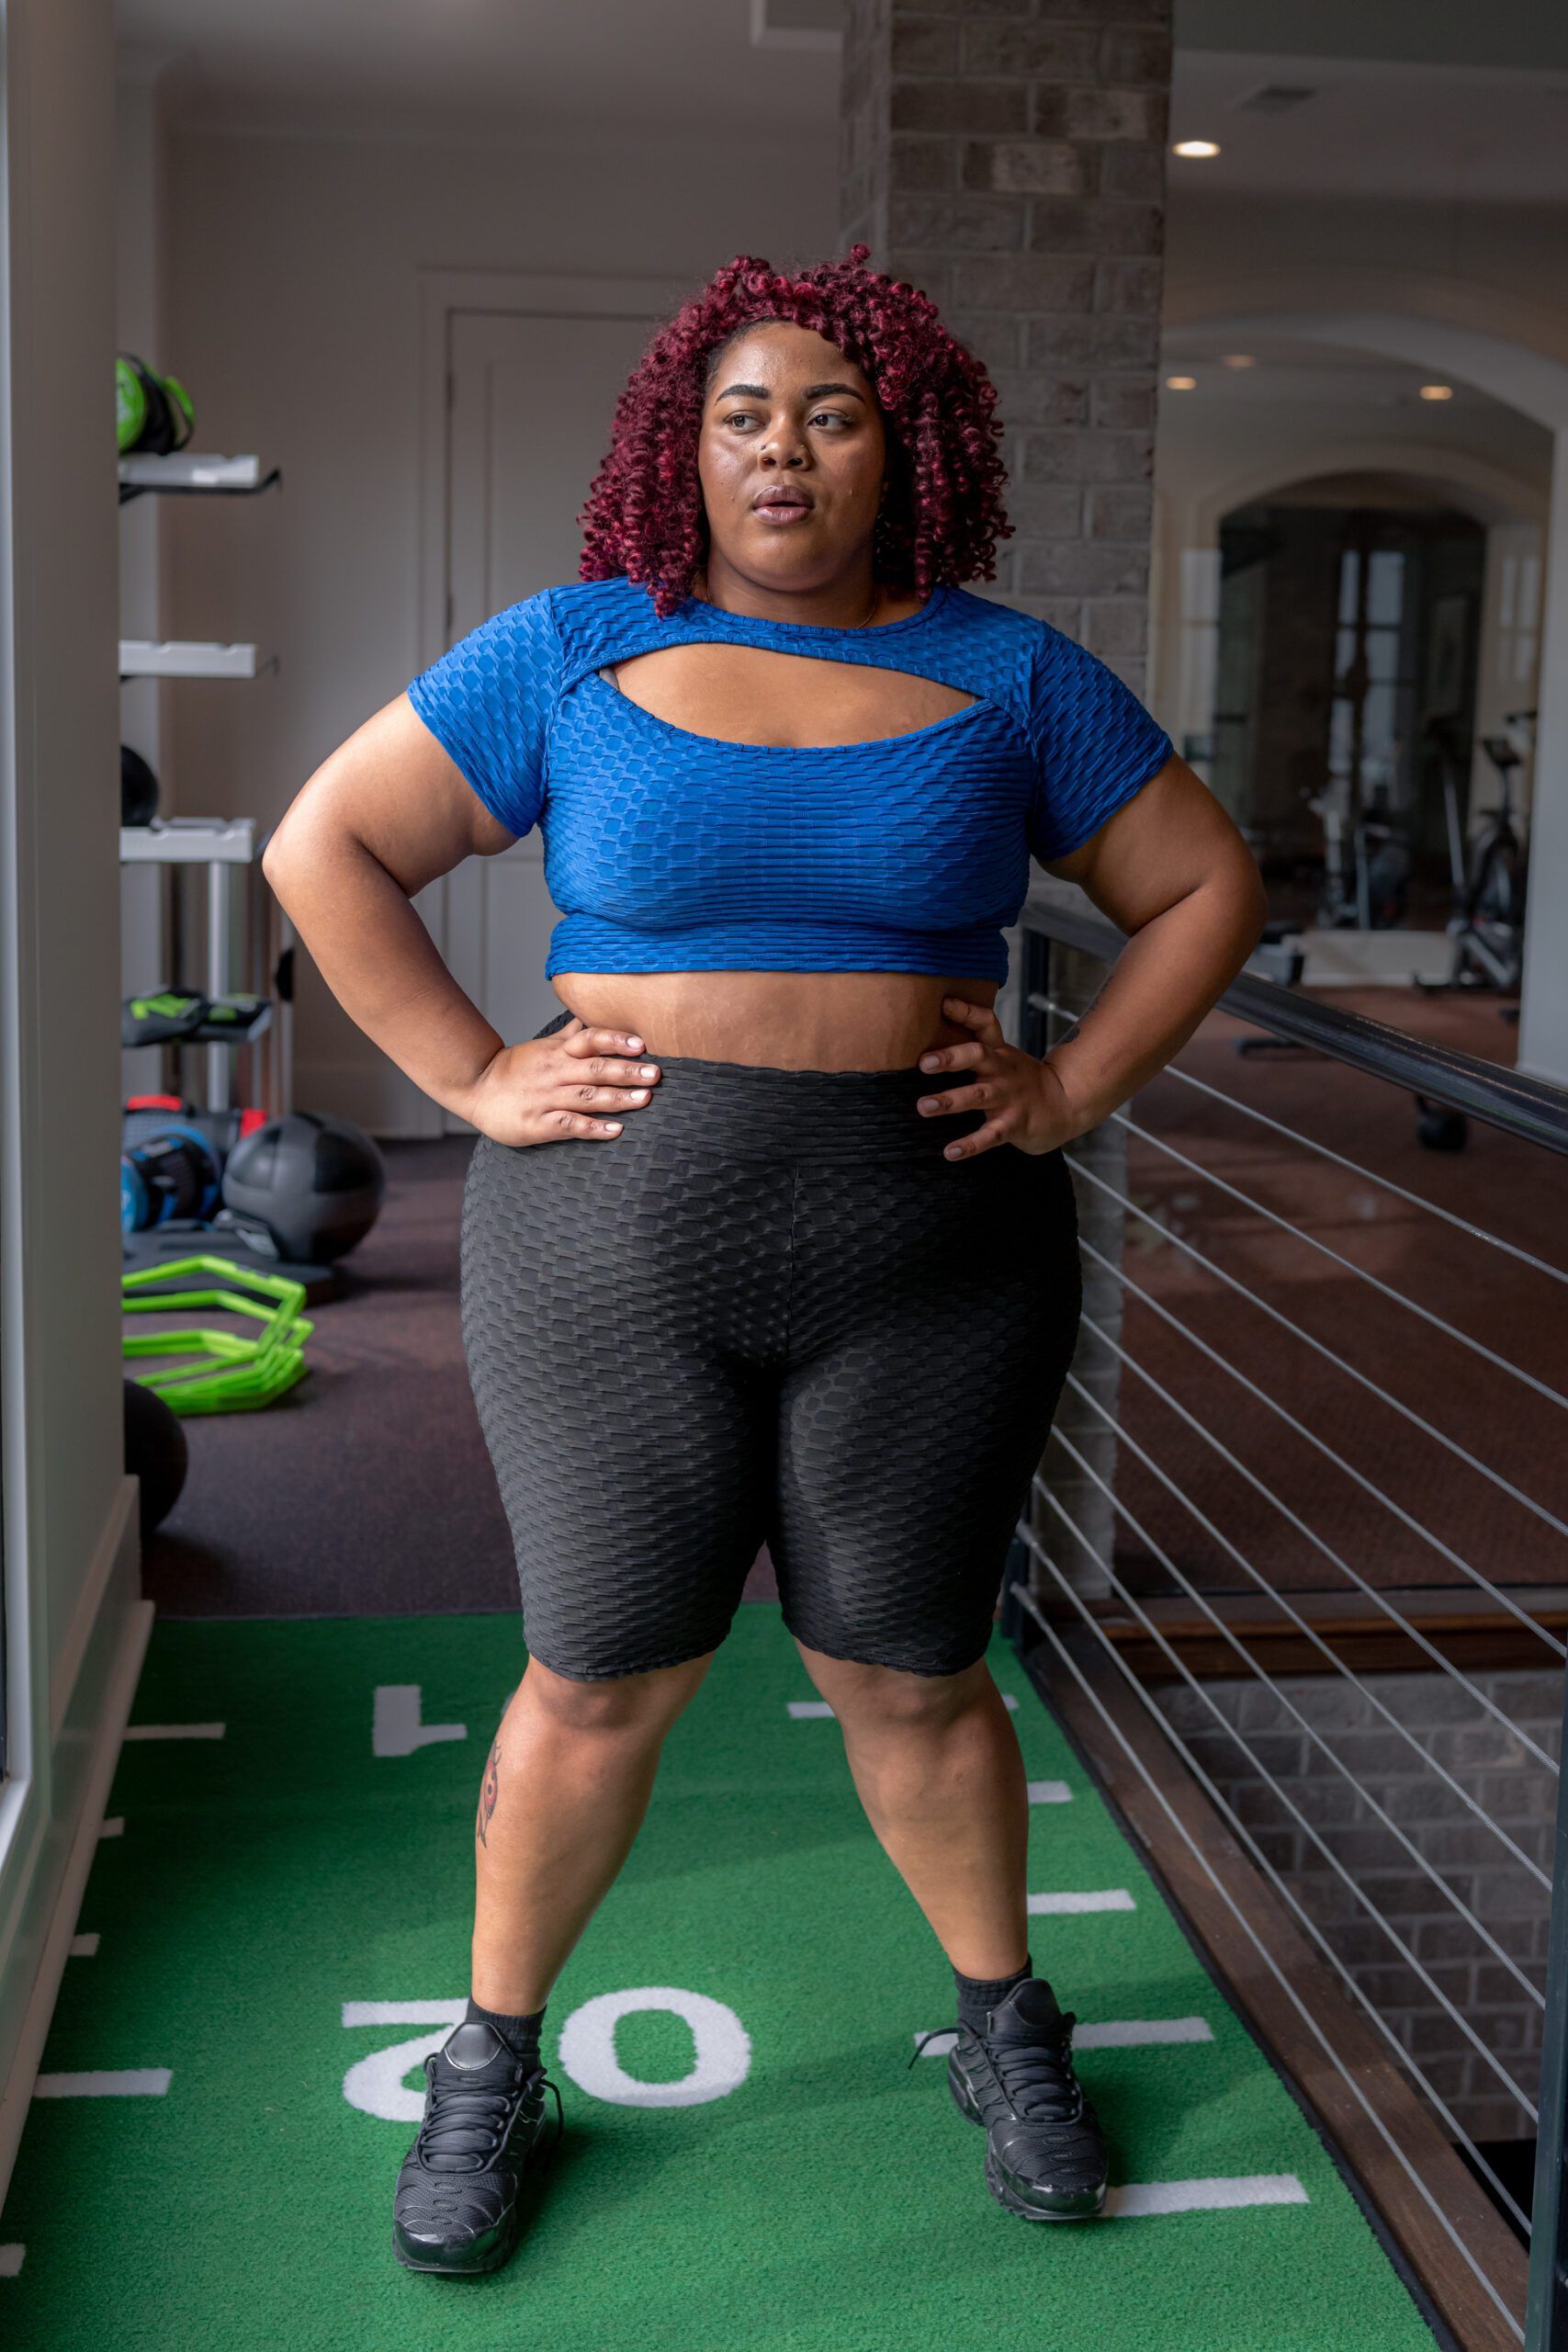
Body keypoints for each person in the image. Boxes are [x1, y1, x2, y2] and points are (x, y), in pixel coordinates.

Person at [262, 244, 1267, 2275]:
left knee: (908, 1668)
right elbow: (323, 844)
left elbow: (1201, 882)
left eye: (829, 410)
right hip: (610, 1244)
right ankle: (490, 2054)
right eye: (743, 415)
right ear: (681, 445)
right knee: (599, 1670)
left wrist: (1071, 1090)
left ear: (906, 446)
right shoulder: (569, 647)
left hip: (934, 1246)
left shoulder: (1012, 674)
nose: (784, 450)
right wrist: (465, 1066)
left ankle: (1006, 2023)